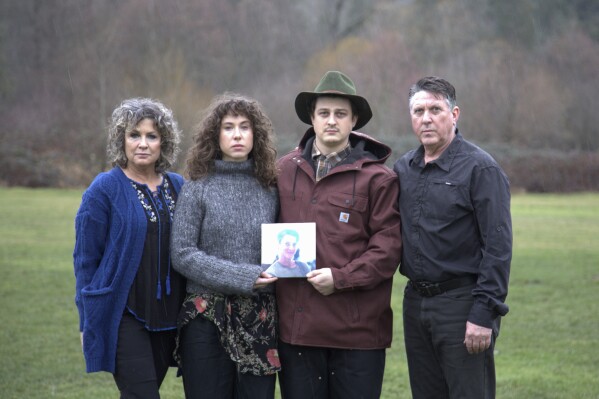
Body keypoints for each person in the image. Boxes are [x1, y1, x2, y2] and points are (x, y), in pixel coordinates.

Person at [275, 71, 402, 399]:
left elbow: (387, 250)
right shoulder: (281, 171)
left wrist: (342, 277)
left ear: (354, 120)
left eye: (340, 114)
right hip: (297, 332)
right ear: (312, 118)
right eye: (324, 113)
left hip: (357, 335)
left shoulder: (379, 179)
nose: (332, 121)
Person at [394, 76, 512, 399]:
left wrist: (483, 313)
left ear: (455, 114)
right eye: (418, 111)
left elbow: (498, 248)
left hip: (462, 305)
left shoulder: (481, 169)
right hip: (415, 304)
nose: (426, 118)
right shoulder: (403, 169)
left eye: (435, 109)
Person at [73, 98, 186, 398]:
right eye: (134, 135)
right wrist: (86, 323)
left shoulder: (178, 186)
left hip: (168, 318)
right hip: (123, 314)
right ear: (121, 139)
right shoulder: (104, 189)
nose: (143, 144)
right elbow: (85, 260)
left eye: (152, 136)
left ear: (164, 142)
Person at [170, 93, 280, 399]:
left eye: (245, 127)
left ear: (255, 135)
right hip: (206, 317)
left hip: (259, 317)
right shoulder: (197, 186)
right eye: (228, 127)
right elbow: (182, 254)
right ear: (215, 135)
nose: (237, 134)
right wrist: (242, 276)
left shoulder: (271, 187)